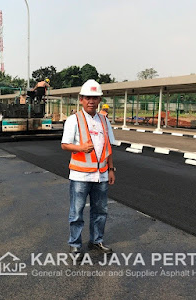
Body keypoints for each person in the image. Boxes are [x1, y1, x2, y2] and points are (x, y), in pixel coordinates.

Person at [61, 79, 116, 256]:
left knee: (100, 211)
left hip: (101, 176)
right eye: (87, 98)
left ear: (99, 100)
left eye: (95, 98)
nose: (91, 101)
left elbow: (108, 146)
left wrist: (111, 169)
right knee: (76, 212)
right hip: (80, 175)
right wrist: (81, 148)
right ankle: (75, 244)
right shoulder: (73, 120)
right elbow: (65, 145)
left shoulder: (104, 121)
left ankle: (96, 241)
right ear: (81, 99)